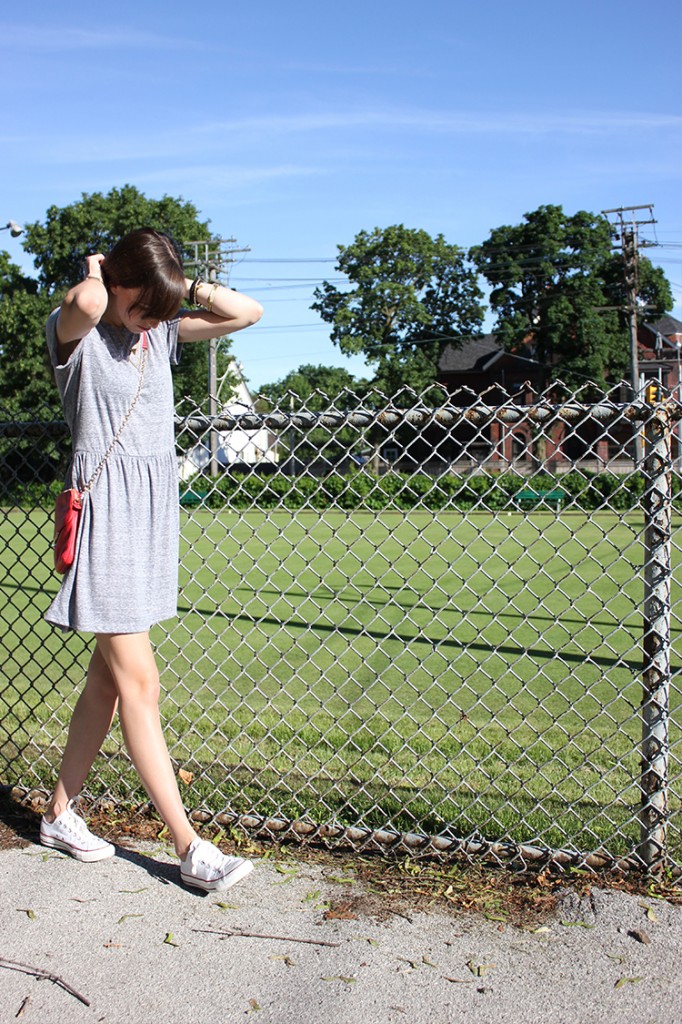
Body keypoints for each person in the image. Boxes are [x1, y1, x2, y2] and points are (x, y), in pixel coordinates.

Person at [40, 228, 263, 892]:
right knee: (141, 685)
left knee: (108, 684)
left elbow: (245, 312)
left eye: (158, 310)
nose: (150, 320)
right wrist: (100, 276)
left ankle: (58, 815)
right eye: (141, 305)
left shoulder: (158, 330)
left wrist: (178, 288)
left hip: (149, 520)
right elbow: (81, 303)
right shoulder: (76, 337)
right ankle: (191, 847)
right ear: (116, 283)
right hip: (106, 521)